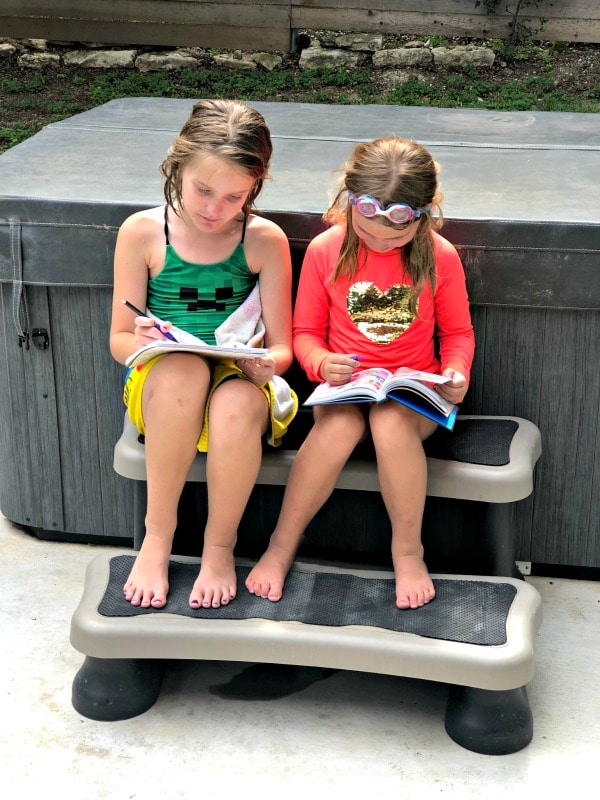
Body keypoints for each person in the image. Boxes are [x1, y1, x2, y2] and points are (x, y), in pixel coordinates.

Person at [246, 135, 474, 610]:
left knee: (390, 422)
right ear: (348, 204)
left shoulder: (440, 255)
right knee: (338, 431)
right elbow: (306, 331)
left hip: (413, 398)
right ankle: (280, 546)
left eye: (395, 238)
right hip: (346, 391)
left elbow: (457, 334)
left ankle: (408, 552)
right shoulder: (327, 250)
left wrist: (456, 373)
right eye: (369, 234)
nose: (381, 244)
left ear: (424, 215)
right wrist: (320, 363)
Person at [110, 99, 297, 610]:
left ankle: (220, 547)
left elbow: (284, 347)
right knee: (184, 369)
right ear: (177, 166)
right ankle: (158, 535)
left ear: (255, 187)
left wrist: (267, 363)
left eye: (235, 196)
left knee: (233, 401)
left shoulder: (263, 240)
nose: (215, 209)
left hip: (242, 382)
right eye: (203, 190)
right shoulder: (143, 233)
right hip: (166, 385)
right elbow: (119, 340)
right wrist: (145, 341)